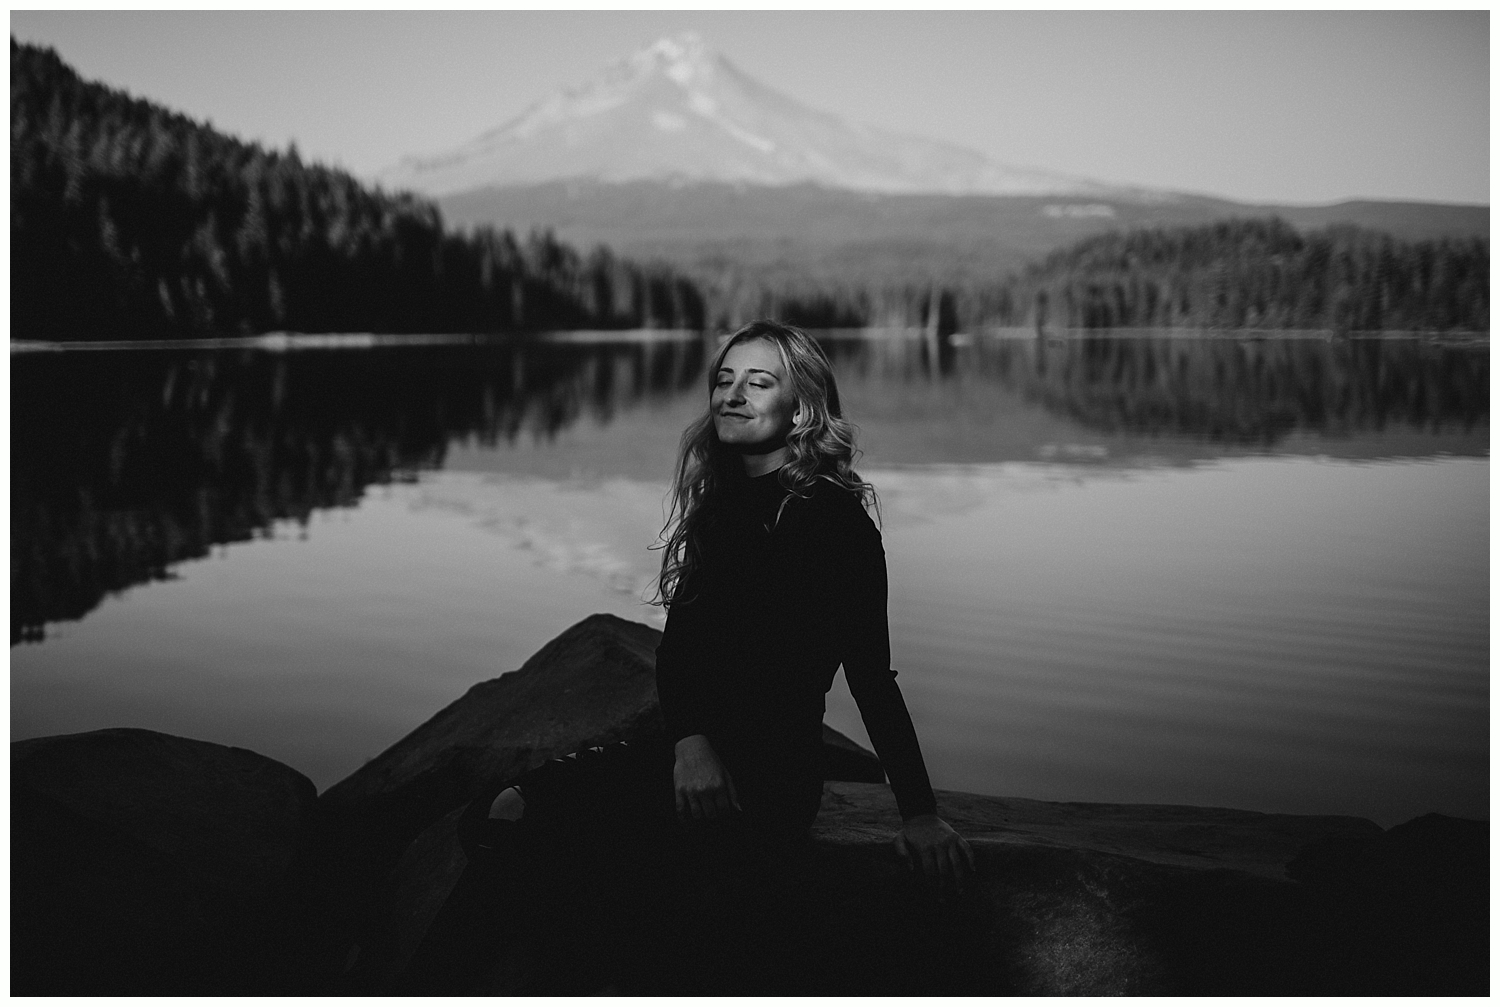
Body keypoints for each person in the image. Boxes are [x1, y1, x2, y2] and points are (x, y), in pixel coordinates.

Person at [403, 320, 973, 994]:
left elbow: (872, 678)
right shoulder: (721, 507)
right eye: (724, 380)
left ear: (803, 406)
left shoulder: (835, 524)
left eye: (758, 382)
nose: (732, 395)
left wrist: (918, 810)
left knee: (532, 832)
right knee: (501, 812)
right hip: (690, 758)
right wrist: (690, 742)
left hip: (764, 779)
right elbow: (680, 654)